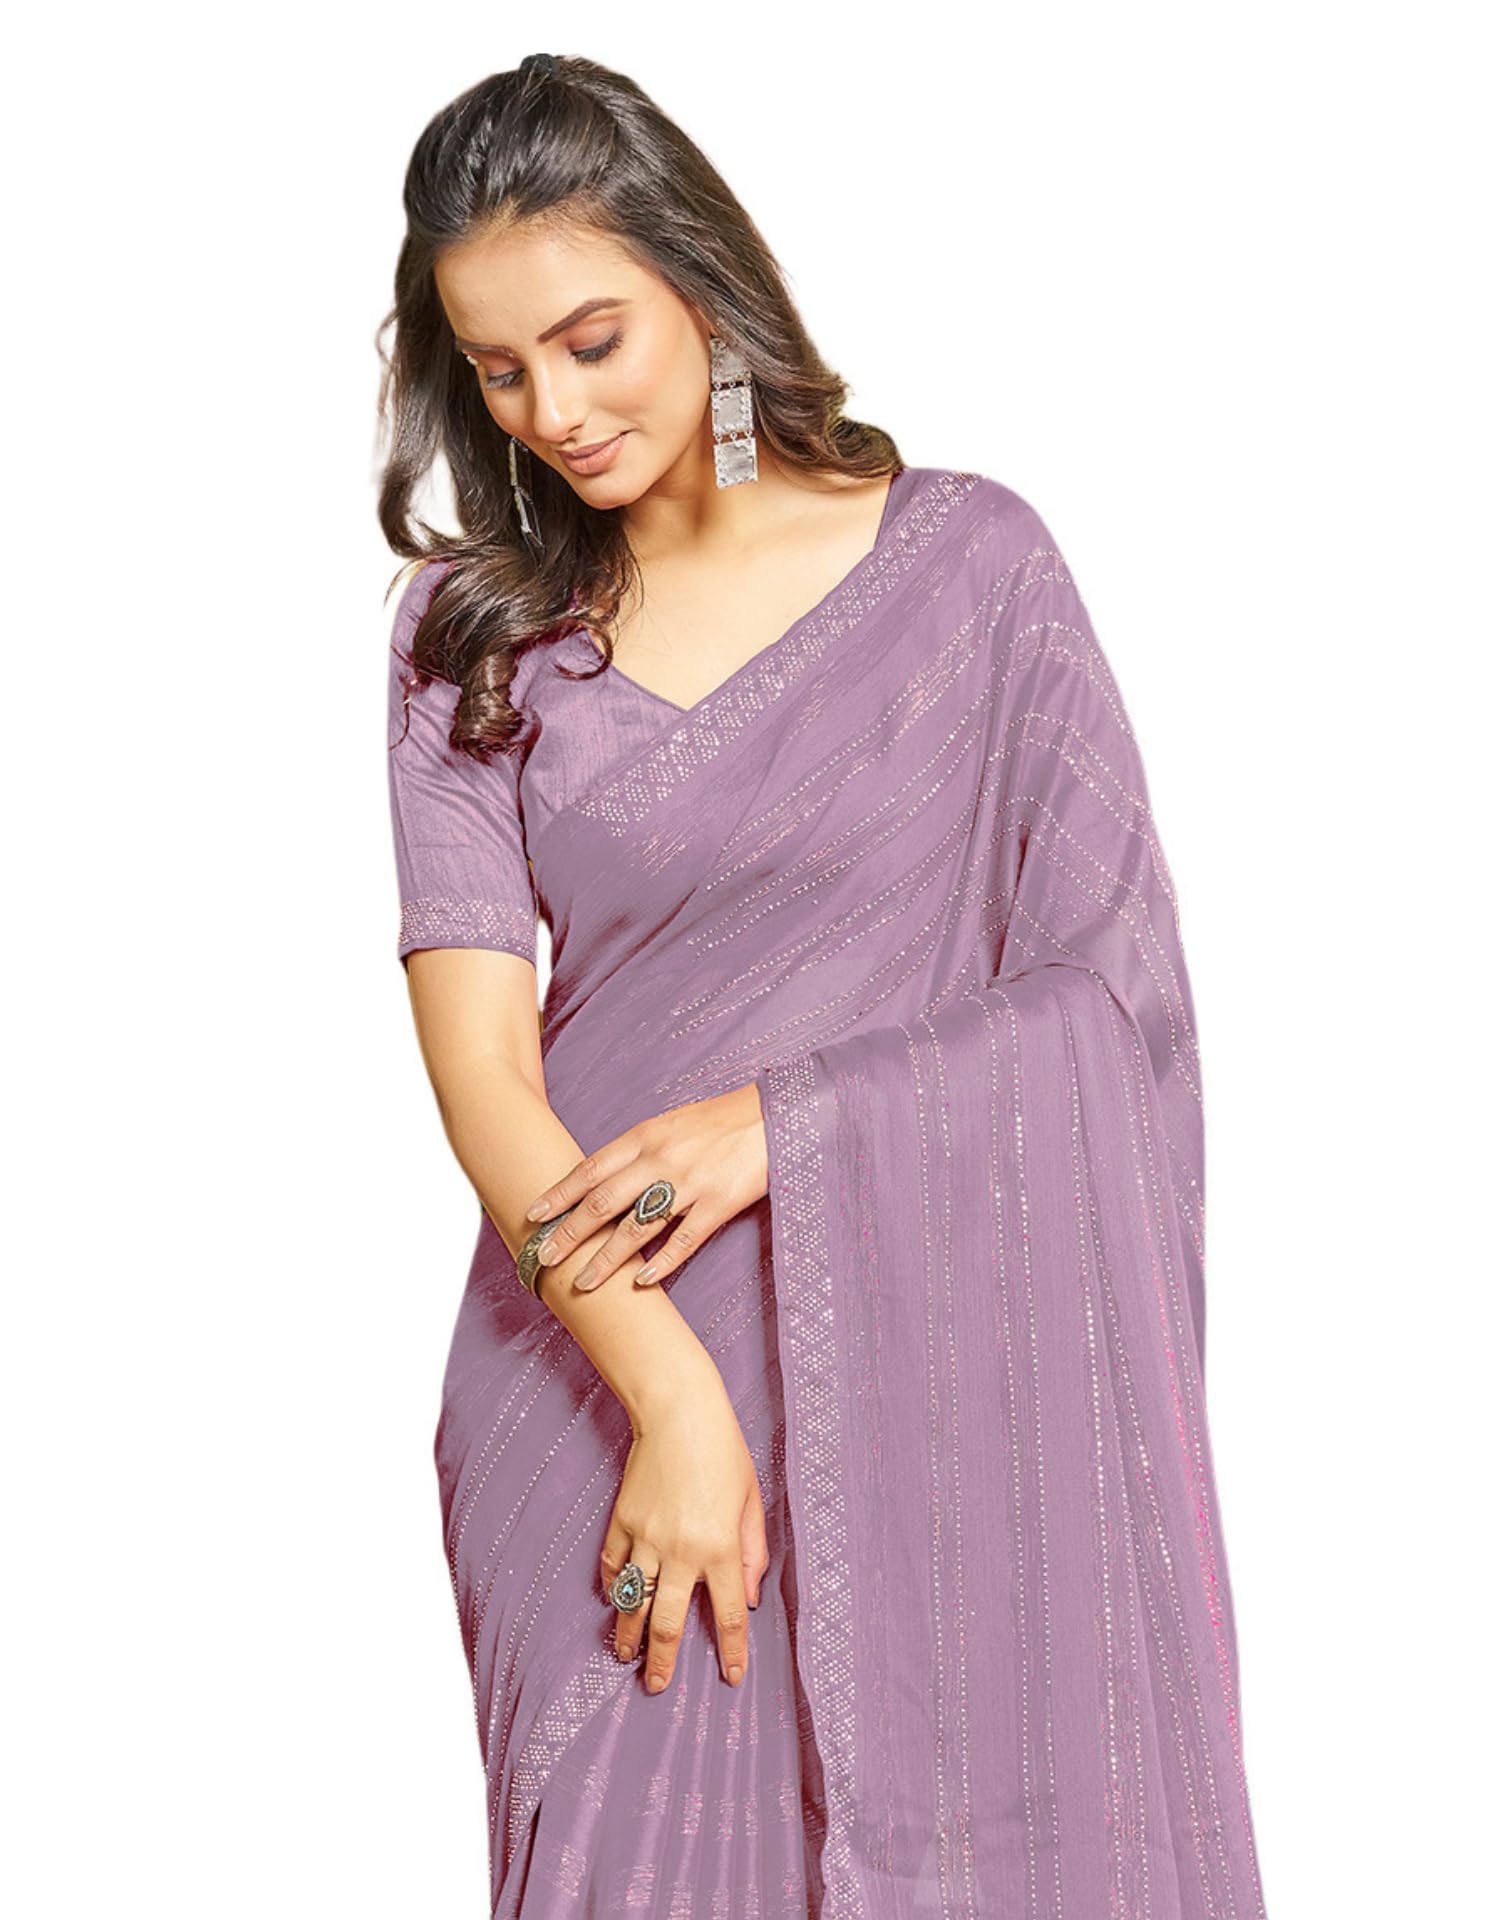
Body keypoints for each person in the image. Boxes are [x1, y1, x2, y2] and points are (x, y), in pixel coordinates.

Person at [380, 52, 1270, 1920]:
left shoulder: (971, 570)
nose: (554, 411)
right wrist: (671, 1402)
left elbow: (1112, 1004)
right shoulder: (472, 639)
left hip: (932, 1387)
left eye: (593, 341)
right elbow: (484, 1083)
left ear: (701, 279)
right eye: (499, 369)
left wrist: (780, 1128)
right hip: (590, 1381)